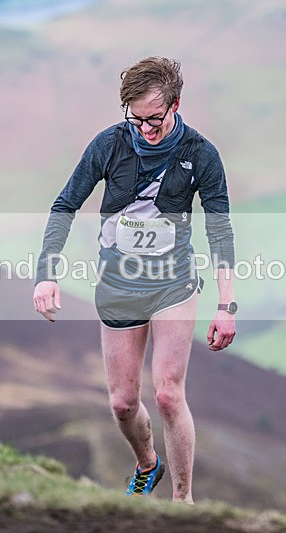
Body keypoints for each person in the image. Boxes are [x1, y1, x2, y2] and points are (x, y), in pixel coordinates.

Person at [32, 57, 236, 504]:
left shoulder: (201, 154)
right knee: (123, 404)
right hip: (118, 284)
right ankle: (147, 464)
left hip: (174, 283)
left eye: (155, 119)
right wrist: (46, 274)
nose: (145, 128)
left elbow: (219, 229)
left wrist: (226, 305)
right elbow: (64, 205)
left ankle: (183, 501)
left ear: (176, 105)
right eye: (137, 119)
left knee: (167, 395)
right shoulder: (109, 144)